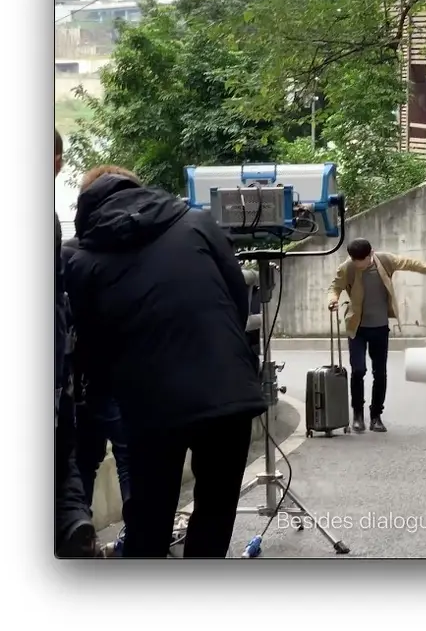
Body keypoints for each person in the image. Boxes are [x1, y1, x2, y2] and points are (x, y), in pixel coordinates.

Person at [64, 165, 267, 558]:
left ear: (87, 205)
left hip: (151, 407)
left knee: (148, 518)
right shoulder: (198, 222)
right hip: (227, 392)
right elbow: (237, 298)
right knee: (214, 511)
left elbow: (90, 344)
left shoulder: (80, 258)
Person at [327, 238, 426, 433]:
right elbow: (335, 286)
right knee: (358, 370)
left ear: (370, 253)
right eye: (354, 260)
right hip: (357, 328)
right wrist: (332, 300)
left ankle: (376, 416)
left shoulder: (384, 261)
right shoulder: (347, 267)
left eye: (361, 260)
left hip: (380, 327)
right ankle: (357, 414)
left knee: (379, 373)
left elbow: (410, 263)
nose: (358, 264)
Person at [62, 235, 133, 513]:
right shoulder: (115, 256)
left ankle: (79, 534)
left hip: (77, 385)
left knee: (83, 464)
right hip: (113, 379)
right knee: (128, 458)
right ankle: (138, 537)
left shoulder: (68, 258)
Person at [53, 128, 96, 558]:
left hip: (72, 377)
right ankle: (74, 523)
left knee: (74, 456)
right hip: (73, 379)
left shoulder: (68, 249)